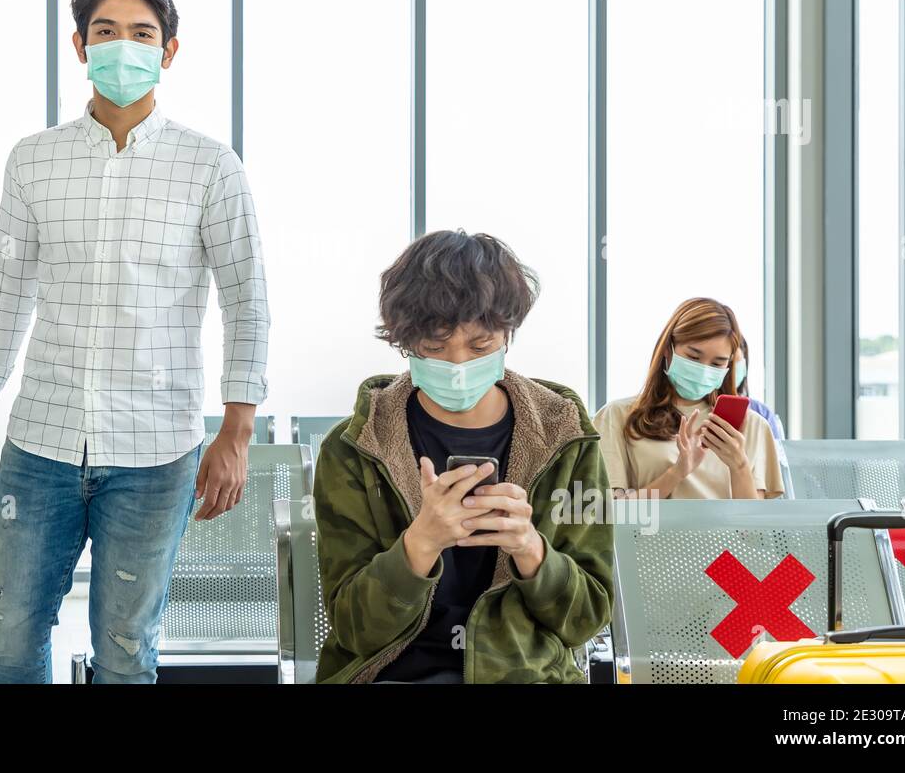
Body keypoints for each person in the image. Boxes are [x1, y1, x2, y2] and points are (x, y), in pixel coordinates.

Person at [0, 0, 271, 683]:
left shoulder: (210, 166)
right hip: (43, 443)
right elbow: (5, 289)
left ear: (170, 51)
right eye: (106, 32)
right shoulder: (34, 160)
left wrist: (236, 433)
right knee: (10, 632)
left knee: (126, 649)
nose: (124, 46)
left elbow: (247, 299)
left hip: (157, 451)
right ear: (80, 46)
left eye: (142, 34)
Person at [312, 230, 614, 684]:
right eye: (434, 349)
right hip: (393, 674)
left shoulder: (566, 440)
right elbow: (356, 631)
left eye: (480, 346)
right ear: (405, 342)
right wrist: (420, 544)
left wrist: (531, 550)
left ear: (507, 335)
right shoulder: (357, 448)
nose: (456, 367)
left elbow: (587, 619)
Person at [594, 297, 784, 500]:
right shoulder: (617, 416)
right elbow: (610, 515)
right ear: (668, 349)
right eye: (694, 358)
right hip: (651, 533)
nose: (703, 370)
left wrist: (740, 465)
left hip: (721, 533)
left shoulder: (753, 426)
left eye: (717, 363)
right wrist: (677, 473)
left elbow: (754, 528)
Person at [733, 335, 786, 440]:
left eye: (737, 363)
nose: (731, 371)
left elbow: (777, 455)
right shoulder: (700, 409)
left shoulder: (761, 413)